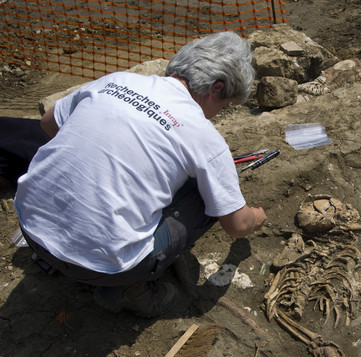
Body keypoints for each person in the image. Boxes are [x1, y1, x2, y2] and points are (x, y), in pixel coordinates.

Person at [13, 32, 267, 318]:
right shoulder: (203, 136)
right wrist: (257, 215)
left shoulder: (117, 81)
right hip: (100, 267)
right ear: (216, 88)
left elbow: (49, 123)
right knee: (206, 195)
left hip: (30, 227)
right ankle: (129, 289)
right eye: (224, 105)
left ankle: (59, 251)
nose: (218, 114)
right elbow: (237, 225)